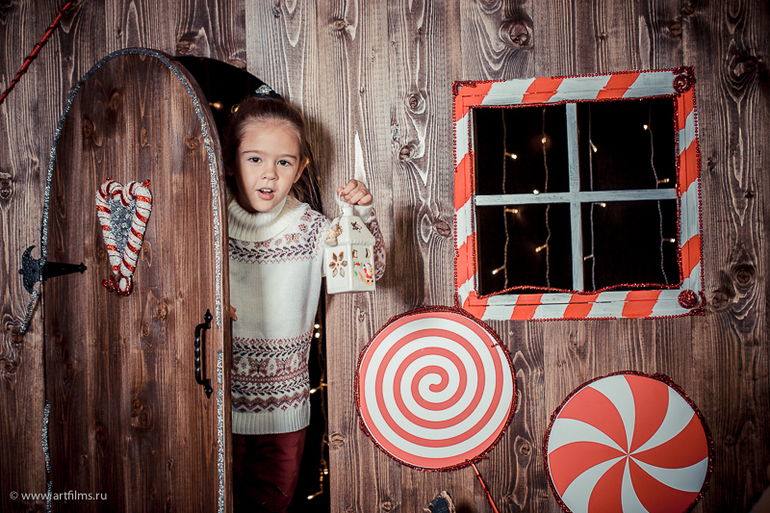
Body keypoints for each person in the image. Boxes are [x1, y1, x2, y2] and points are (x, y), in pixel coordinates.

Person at [223, 88, 385, 513]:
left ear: (300, 170)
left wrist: (361, 215)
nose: (269, 174)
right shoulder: (209, 223)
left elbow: (370, 269)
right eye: (255, 159)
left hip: (285, 410)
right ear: (231, 161)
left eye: (284, 162)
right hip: (216, 402)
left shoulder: (311, 229)